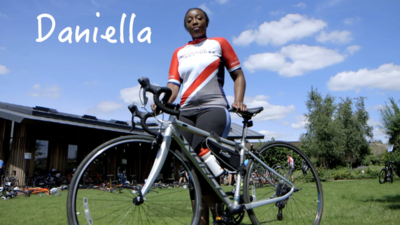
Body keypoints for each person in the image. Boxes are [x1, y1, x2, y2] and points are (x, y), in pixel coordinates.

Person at [152, 7, 247, 225]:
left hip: (213, 108)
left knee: (201, 160)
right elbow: (173, 86)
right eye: (189, 20)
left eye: (199, 18)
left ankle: (221, 218)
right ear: (185, 25)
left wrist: (239, 100)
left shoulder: (219, 43)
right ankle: (200, 221)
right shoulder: (179, 53)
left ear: (206, 22)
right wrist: (162, 101)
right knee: (188, 164)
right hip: (186, 111)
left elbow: (238, 75)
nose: (194, 22)